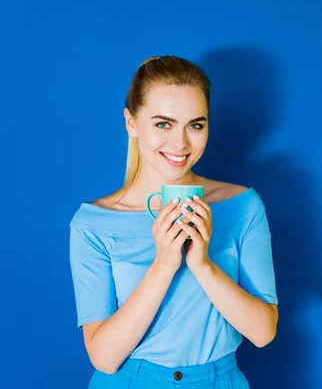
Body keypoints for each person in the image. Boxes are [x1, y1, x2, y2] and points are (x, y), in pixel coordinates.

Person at [68, 55, 279, 389]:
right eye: (163, 124)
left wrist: (203, 264)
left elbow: (263, 332)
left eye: (195, 125)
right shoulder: (94, 224)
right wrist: (164, 265)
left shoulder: (242, 206)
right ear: (132, 123)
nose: (180, 143)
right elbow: (104, 358)